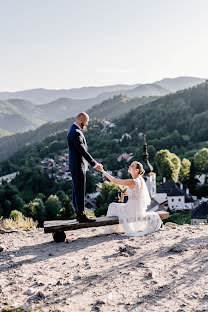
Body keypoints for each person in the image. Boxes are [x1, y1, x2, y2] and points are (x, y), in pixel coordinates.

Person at [99, 161, 162, 236]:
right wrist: (128, 193)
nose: (129, 166)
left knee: (112, 206)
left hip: (131, 211)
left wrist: (102, 170)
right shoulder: (140, 179)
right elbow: (137, 194)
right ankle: (116, 229)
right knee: (117, 206)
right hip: (138, 210)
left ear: (137, 170)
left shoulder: (132, 181)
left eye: (132, 166)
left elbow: (115, 181)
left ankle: (113, 230)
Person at [67, 112, 103, 223]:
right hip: (78, 166)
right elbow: (83, 151)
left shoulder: (73, 130)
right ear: (81, 120)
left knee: (76, 190)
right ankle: (81, 216)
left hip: (76, 165)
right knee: (79, 190)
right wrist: (95, 164)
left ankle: (79, 214)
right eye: (86, 121)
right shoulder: (76, 133)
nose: (87, 124)